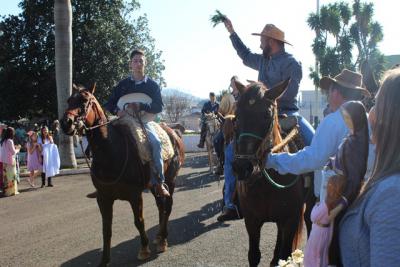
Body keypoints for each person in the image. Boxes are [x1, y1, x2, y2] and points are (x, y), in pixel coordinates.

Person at [266, 69, 370, 266]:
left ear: (337, 92)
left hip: (337, 208)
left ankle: (232, 202)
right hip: (366, 201)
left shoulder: (333, 121)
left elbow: (312, 159)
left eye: (329, 91)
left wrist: (272, 160)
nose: (328, 96)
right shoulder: (370, 122)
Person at [339, 68, 400, 266]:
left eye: (376, 104)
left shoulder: (391, 195)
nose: (371, 113)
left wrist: (274, 160)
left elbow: (314, 156)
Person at [223, 18, 315, 146]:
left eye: (262, 42)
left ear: (271, 42)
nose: (260, 45)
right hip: (260, 113)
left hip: (286, 112)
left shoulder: (291, 63)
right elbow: (246, 55)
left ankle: (322, 160)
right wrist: (232, 32)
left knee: (313, 141)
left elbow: (290, 93)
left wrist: (262, 92)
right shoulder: (263, 60)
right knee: (232, 147)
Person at [104, 49, 169, 197]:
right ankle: (105, 181)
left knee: (156, 143)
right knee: (104, 140)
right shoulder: (122, 85)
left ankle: (159, 182)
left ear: (145, 64)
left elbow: (158, 106)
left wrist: (142, 106)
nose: (138, 63)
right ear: (130, 64)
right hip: (124, 120)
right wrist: (116, 110)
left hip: (145, 121)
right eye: (135, 61)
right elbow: (109, 103)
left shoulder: (152, 85)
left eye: (141, 61)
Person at [304, 174, 346, 267]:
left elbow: (315, 217)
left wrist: (317, 205)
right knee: (319, 255)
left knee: (316, 254)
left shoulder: (325, 204)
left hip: (320, 232)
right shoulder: (330, 203)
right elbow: (329, 217)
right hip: (323, 233)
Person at [0, 127, 21, 196]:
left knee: (6, 177)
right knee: (11, 176)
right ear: (11, 133)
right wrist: (18, 149)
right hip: (10, 161)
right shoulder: (10, 141)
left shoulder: (3, 141)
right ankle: (12, 191)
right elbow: (13, 152)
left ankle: (6, 191)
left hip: (4, 161)